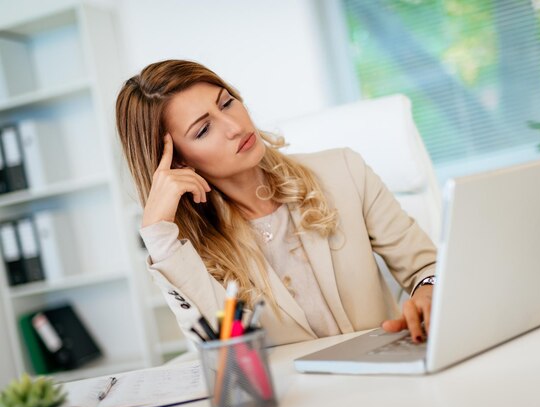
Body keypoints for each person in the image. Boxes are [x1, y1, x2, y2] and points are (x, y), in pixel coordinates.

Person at [115, 59, 437, 346]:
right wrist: (157, 234)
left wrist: (428, 289)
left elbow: (427, 267)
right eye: (203, 130)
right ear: (179, 163)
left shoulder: (344, 171)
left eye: (226, 103)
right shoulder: (191, 252)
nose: (234, 126)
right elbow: (220, 353)